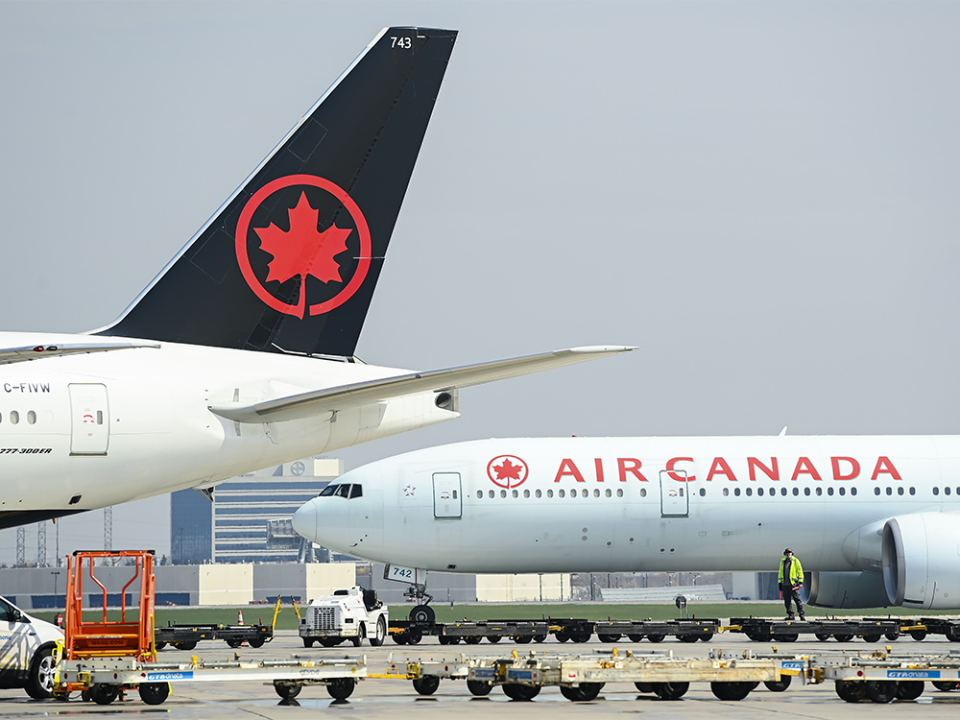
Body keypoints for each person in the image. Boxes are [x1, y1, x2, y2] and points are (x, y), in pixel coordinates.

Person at [778, 548, 805, 620]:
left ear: (792, 553)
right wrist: (780, 583)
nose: (788, 554)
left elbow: (800, 571)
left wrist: (800, 582)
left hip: (793, 584)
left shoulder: (796, 561)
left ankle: (801, 614)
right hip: (785, 585)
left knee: (797, 600)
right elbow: (780, 573)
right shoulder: (783, 562)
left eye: (789, 552)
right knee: (787, 600)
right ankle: (791, 615)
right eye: (787, 553)